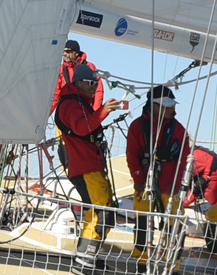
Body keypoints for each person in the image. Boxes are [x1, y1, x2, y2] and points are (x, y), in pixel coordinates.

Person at [51, 40, 127, 246]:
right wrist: (103, 112)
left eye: (95, 83)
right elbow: (82, 127)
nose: (94, 87)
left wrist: (99, 112)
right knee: (98, 212)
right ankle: (86, 257)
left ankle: (88, 255)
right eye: (91, 84)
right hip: (84, 166)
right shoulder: (71, 104)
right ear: (80, 83)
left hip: (91, 165)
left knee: (105, 212)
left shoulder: (79, 101)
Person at [124, 86, 189, 260]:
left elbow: (184, 159)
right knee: (144, 223)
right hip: (145, 183)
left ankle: (173, 267)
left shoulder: (179, 130)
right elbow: (132, 155)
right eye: (166, 106)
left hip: (170, 185)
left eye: (172, 106)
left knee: (175, 224)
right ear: (153, 105)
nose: (170, 110)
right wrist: (138, 179)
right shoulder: (138, 127)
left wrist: (177, 184)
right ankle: (142, 262)